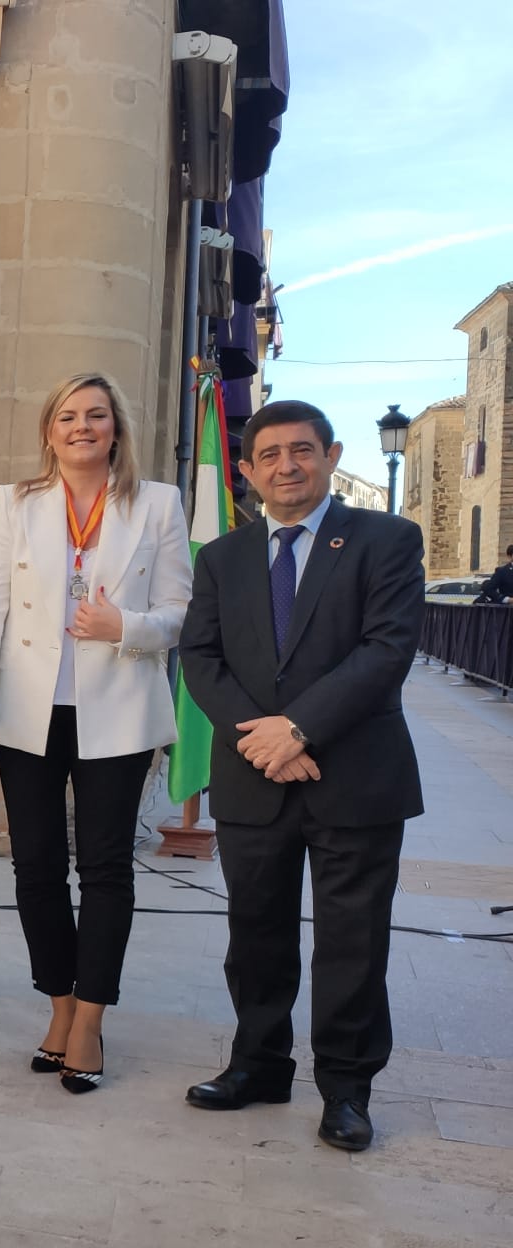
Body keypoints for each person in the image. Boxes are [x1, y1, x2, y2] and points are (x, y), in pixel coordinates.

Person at [178, 399, 426, 1151]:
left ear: (330, 454)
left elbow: (387, 650)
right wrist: (265, 744)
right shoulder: (222, 558)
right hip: (255, 780)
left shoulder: (387, 540)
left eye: (304, 451)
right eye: (271, 454)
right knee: (255, 934)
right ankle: (258, 1065)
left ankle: (346, 1091)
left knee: (352, 942)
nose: (288, 465)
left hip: (355, 778)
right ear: (247, 472)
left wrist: (299, 729)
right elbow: (200, 657)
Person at [0, 372, 192, 1094]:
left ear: (115, 427)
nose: (82, 426)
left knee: (106, 869)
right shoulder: (16, 504)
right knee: (34, 868)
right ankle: (58, 1006)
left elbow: (183, 610)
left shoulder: (157, 504)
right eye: (67, 416)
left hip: (118, 711)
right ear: (49, 432)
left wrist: (127, 628)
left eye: (95, 415)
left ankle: (90, 1020)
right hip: (28, 712)